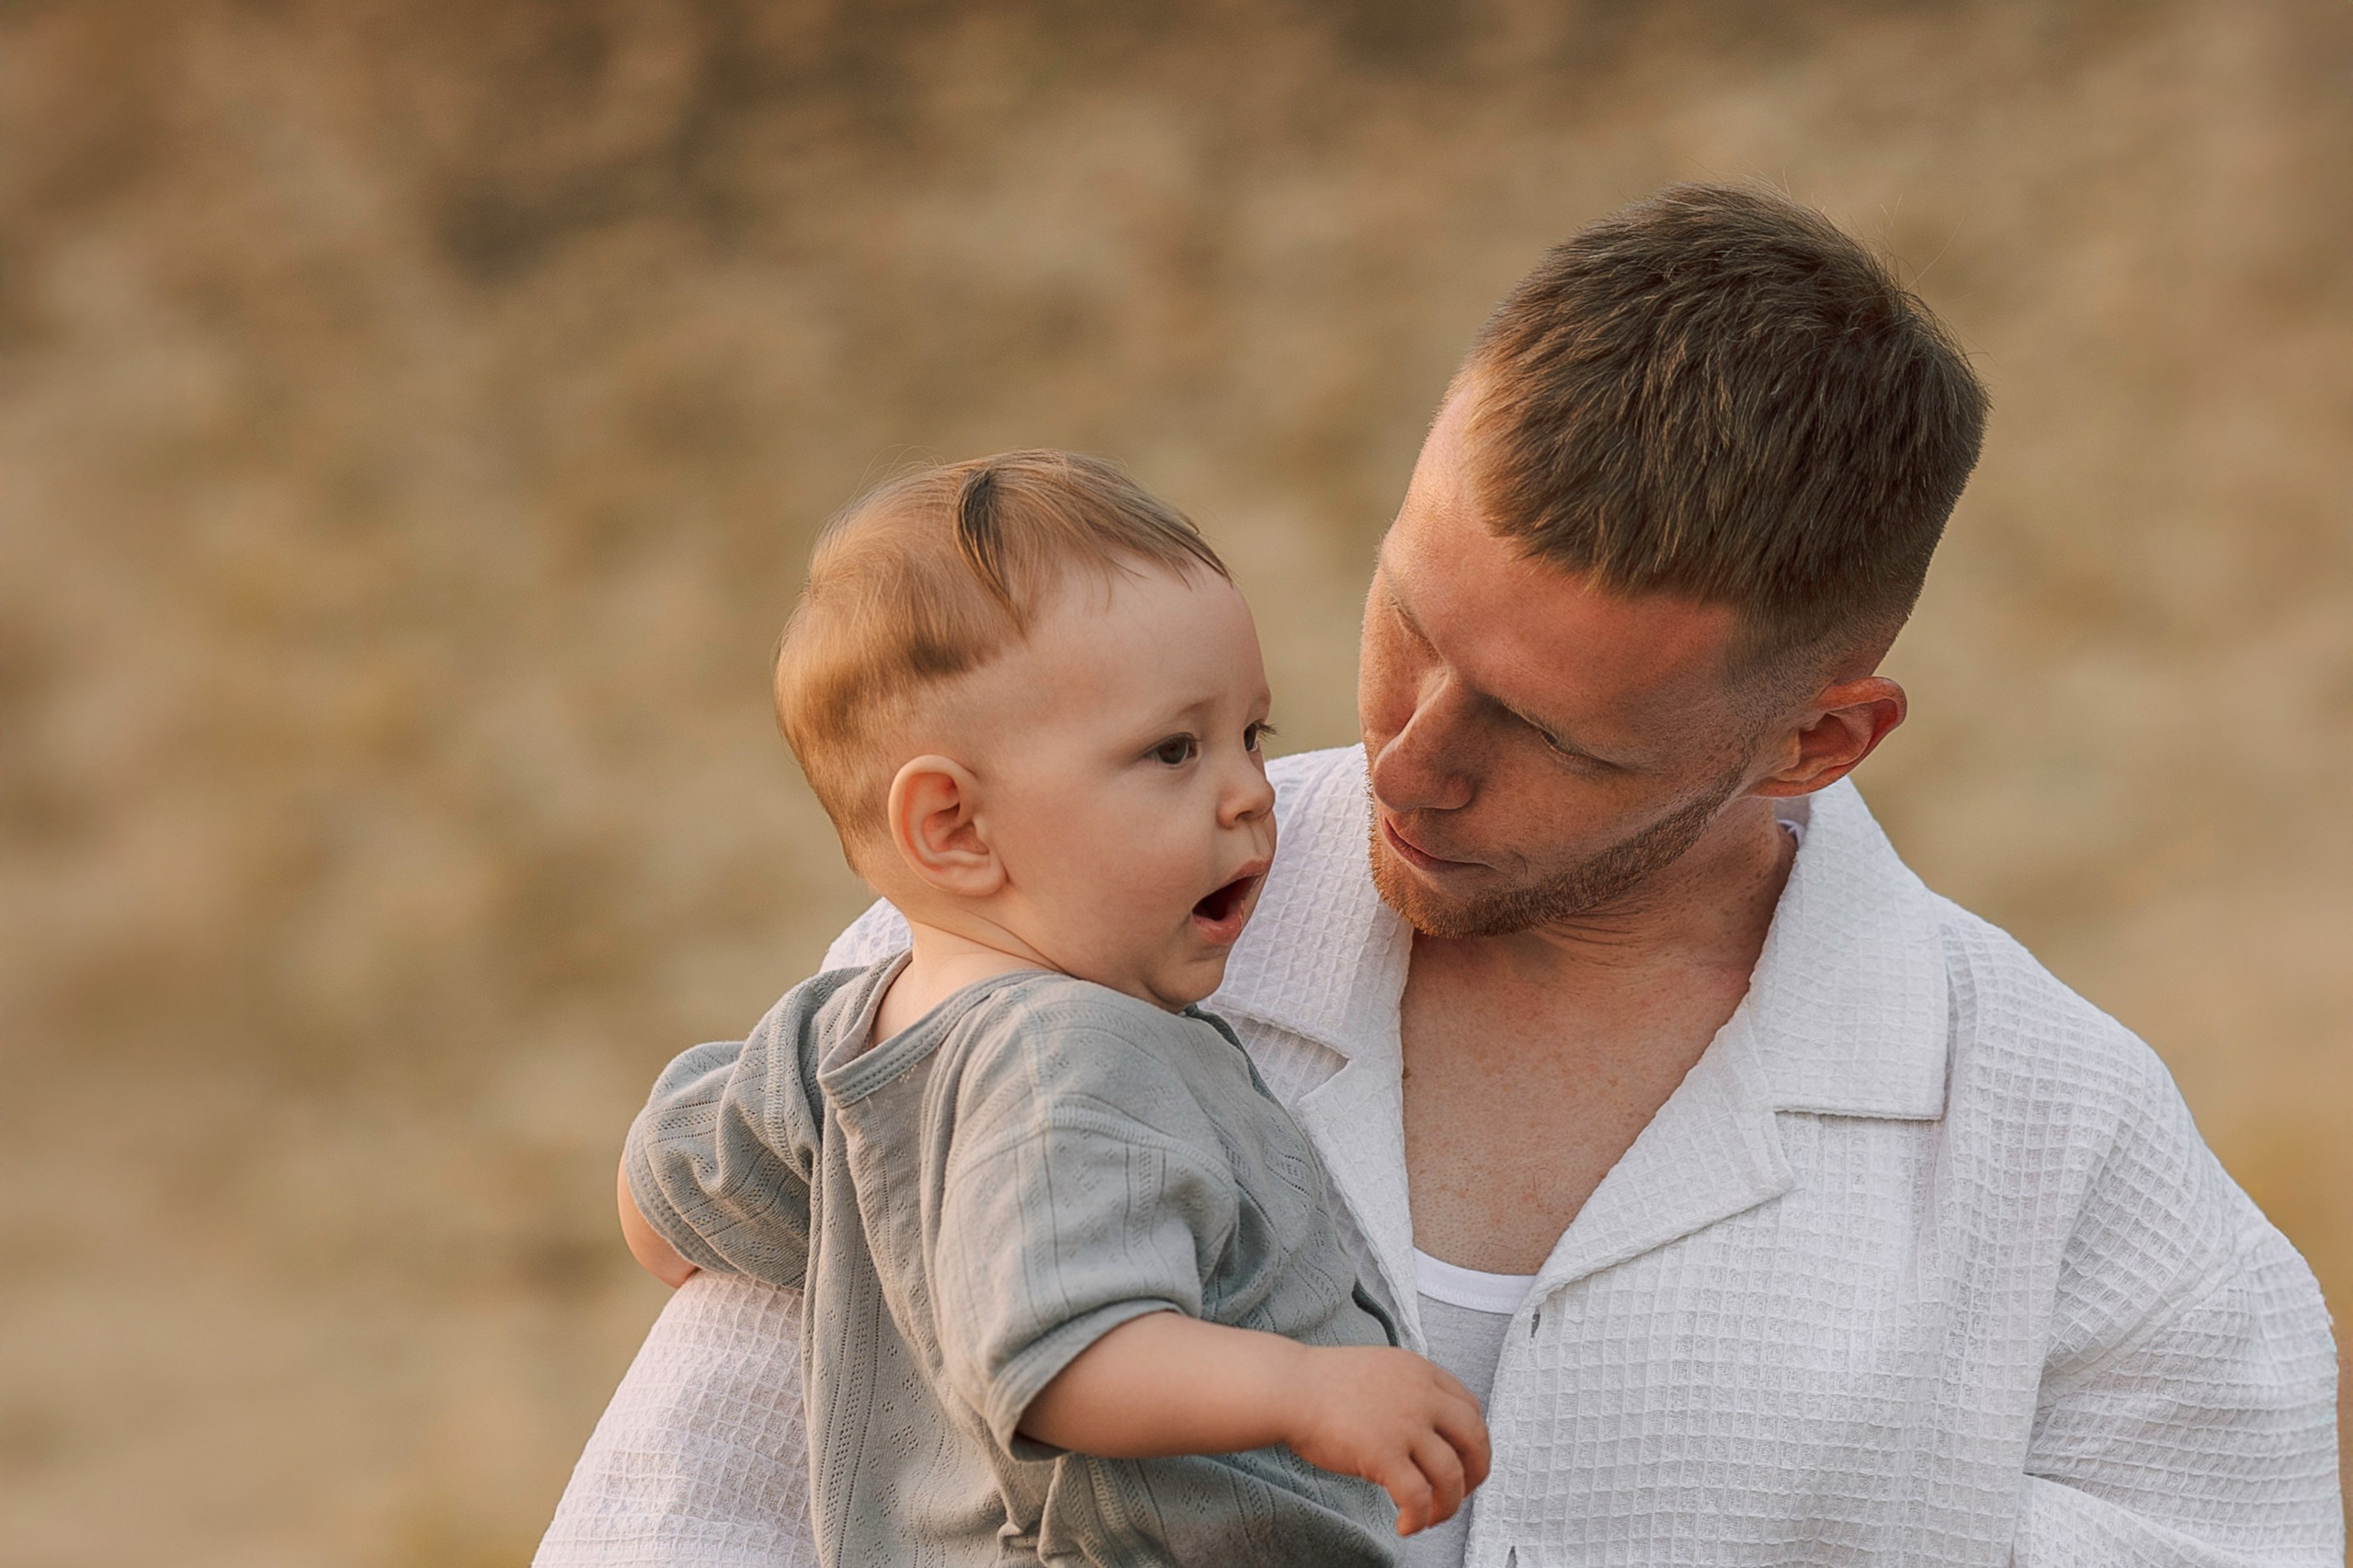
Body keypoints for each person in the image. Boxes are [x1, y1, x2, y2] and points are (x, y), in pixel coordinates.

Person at [539, 185, 2341, 1568]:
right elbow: (681, 1513)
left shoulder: (2063, 1140)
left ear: (1814, 741)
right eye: (1406, 617)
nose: (1403, 761)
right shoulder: (1027, 936)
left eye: (1554, 732)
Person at [611, 450, 1492, 1568]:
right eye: (1173, 749)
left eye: (1250, 735)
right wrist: (1306, 1386)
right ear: (954, 825)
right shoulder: (1074, 1051)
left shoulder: (831, 1040)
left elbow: (661, 1205)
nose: (1248, 791)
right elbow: (1068, 1351)